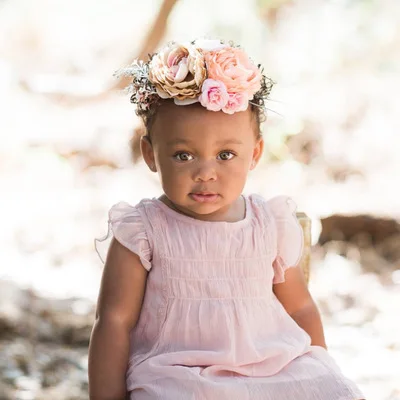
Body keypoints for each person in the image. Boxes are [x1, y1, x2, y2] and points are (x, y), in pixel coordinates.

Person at [88, 39, 365, 400]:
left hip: (273, 366)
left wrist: (318, 373)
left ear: (256, 153)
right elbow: (114, 322)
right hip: (179, 375)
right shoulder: (144, 230)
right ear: (150, 153)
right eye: (184, 155)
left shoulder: (270, 224)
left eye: (225, 154)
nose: (205, 172)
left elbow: (299, 306)